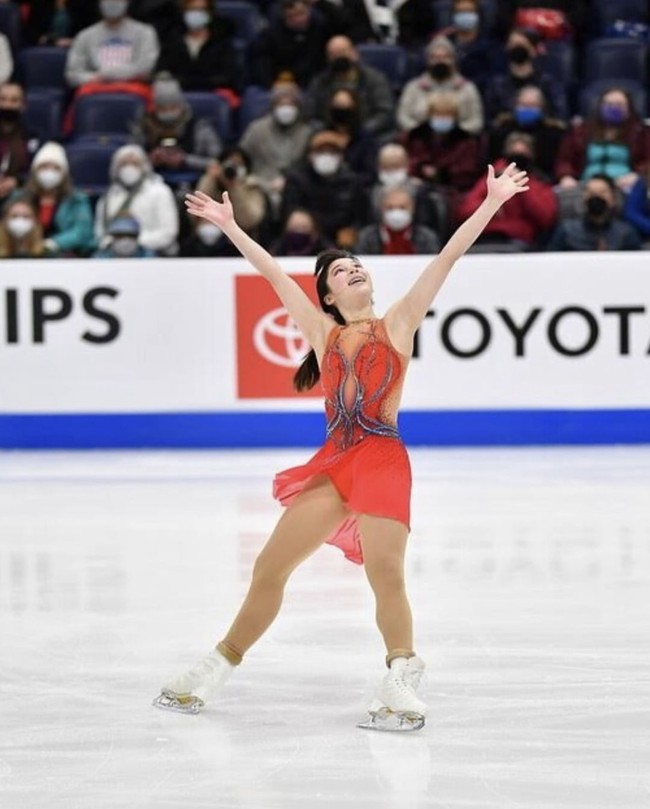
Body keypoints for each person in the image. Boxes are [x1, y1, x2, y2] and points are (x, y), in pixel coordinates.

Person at [153, 161, 529, 723]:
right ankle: (216, 665)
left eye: (357, 266)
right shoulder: (323, 332)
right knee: (269, 567)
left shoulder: (398, 322)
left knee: (385, 572)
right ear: (327, 295)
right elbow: (275, 275)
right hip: (334, 464)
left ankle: (401, 672)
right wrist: (231, 227)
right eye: (340, 271)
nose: (352, 271)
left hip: (381, 458)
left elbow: (447, 257)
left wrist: (492, 202)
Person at [457, 133, 557, 251]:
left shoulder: (539, 183)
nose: (518, 159)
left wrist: (522, 185)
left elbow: (545, 218)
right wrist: (490, 204)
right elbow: (464, 211)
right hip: (484, 237)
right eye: (514, 154)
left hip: (518, 241)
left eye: (523, 154)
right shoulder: (490, 179)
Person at [281, 128, 370, 249]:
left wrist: (353, 230)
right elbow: (290, 212)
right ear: (310, 155)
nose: (327, 157)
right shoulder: (296, 180)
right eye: (321, 152)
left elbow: (362, 216)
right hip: (309, 238)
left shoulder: (352, 182)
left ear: (341, 157)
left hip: (342, 242)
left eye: (333, 152)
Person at [554, 87, 650, 194]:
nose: (613, 108)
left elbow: (647, 161)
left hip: (624, 186)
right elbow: (565, 160)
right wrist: (566, 176)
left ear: (629, 110)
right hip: (584, 185)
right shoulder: (581, 131)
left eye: (619, 105)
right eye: (608, 104)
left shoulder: (640, 133)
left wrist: (638, 176)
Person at [130, 72, 222, 181]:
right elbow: (129, 160)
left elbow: (218, 163)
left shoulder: (200, 127)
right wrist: (149, 160)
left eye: (172, 107)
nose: (168, 113)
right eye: (163, 108)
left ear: (181, 105)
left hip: (195, 182)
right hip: (151, 182)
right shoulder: (143, 126)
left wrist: (185, 160)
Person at [238, 77, 312, 210]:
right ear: (273, 106)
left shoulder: (307, 133)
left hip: (295, 188)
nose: (286, 109)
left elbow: (308, 165)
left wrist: (289, 180)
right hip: (259, 186)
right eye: (281, 104)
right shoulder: (257, 129)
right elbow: (241, 156)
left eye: (291, 104)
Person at [95, 144, 179, 255]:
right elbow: (100, 231)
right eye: (124, 164)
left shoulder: (160, 192)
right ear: (116, 168)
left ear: (144, 166)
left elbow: (168, 232)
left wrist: (135, 243)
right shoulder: (109, 196)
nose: (129, 168)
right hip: (114, 255)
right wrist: (114, 244)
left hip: (156, 254)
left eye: (134, 163)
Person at [305, 35, 395, 139]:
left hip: (368, 136)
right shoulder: (319, 82)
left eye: (342, 52)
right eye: (333, 54)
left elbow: (384, 112)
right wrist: (327, 131)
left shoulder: (375, 79)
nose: (339, 57)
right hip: (329, 137)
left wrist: (361, 132)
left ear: (355, 53)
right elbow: (309, 115)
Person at [396, 35, 483, 135]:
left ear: (453, 60)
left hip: (459, 142)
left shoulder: (468, 88)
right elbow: (402, 118)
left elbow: (477, 121)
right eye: (435, 57)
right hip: (419, 141)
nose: (440, 61)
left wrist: (458, 132)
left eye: (445, 57)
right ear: (428, 61)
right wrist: (419, 132)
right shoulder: (413, 87)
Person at [21, 141, 95, 256]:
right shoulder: (21, 198)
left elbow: (82, 232)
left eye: (55, 168)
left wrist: (53, 243)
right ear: (35, 171)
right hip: (25, 254)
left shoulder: (77, 200)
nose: (49, 172)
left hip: (65, 256)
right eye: (44, 167)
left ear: (64, 173)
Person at [64, 0, 160, 89]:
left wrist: (107, 74)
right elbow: (72, 75)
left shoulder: (145, 32)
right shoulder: (85, 35)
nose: (112, 3)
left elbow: (145, 68)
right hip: (94, 89)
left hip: (134, 89)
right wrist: (96, 78)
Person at [483, 27, 567, 123]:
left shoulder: (548, 84)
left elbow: (559, 118)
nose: (517, 48)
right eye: (513, 45)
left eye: (521, 45)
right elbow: (490, 120)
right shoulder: (496, 85)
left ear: (534, 50)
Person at [196, 146, 274, 248]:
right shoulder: (213, 182)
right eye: (230, 164)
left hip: (245, 241)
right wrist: (210, 179)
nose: (233, 168)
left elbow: (249, 220)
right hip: (211, 241)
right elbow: (195, 211)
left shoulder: (252, 187)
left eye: (238, 165)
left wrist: (234, 187)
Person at [155, 0, 239, 93]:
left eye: (201, 10)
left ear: (210, 14)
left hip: (213, 92)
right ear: (183, 13)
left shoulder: (221, 42)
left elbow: (229, 76)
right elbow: (162, 71)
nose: (196, 14)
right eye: (191, 10)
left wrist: (198, 83)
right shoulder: (172, 41)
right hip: (177, 93)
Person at [248, 0, 334, 89]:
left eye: (302, 14)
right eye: (292, 16)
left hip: (317, 83)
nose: (299, 19)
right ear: (284, 15)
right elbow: (262, 65)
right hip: (283, 85)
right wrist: (271, 84)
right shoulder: (270, 36)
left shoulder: (320, 29)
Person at [488, 84, 565, 183]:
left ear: (542, 108)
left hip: (540, 182)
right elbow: (490, 163)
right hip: (502, 178)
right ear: (515, 105)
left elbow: (554, 168)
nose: (527, 109)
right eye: (523, 105)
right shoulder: (501, 131)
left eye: (532, 105)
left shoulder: (553, 135)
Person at [547, 174, 641, 251]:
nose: (596, 196)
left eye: (602, 192)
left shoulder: (626, 234)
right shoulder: (567, 232)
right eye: (591, 193)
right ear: (584, 197)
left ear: (613, 199)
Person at [355, 186, 440, 255]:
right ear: (381, 209)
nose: (396, 212)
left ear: (412, 209)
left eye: (402, 207)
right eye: (390, 208)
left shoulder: (427, 238)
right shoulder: (367, 238)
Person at [0, 82, 40, 204]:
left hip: (20, 193)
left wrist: (17, 181)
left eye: (14, 100)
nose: (8, 105)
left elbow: (38, 169)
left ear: (23, 105)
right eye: (3, 99)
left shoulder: (34, 135)